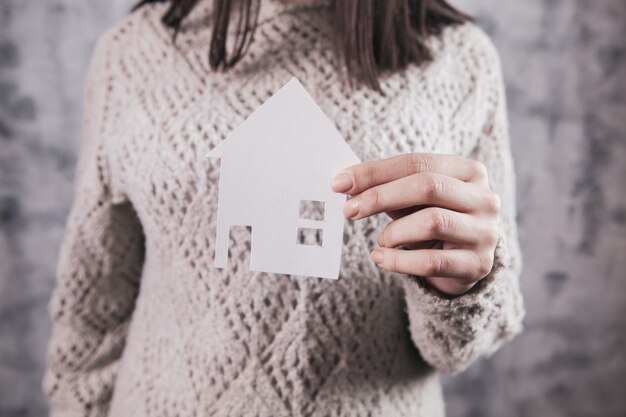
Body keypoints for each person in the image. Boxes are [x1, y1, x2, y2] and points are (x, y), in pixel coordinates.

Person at [43, 0, 525, 415]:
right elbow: (91, 315)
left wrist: (459, 286)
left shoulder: (460, 60)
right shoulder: (131, 55)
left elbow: (469, 342)